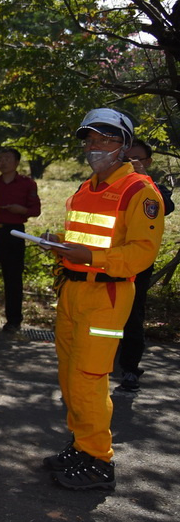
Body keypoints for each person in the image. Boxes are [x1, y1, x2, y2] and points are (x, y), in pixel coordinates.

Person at [42, 108, 163, 490]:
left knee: (88, 378)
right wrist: (62, 247)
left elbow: (142, 253)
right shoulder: (85, 188)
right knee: (68, 374)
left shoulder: (140, 191)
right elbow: (87, 239)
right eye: (90, 140)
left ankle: (98, 460)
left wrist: (91, 258)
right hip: (74, 288)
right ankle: (81, 444)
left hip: (108, 294)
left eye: (105, 139)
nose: (95, 147)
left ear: (124, 146)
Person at [116, 139, 175, 392]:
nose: (130, 164)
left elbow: (166, 206)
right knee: (101, 321)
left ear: (148, 162)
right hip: (104, 263)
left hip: (136, 267)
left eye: (136, 159)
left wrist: (140, 177)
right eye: (125, 159)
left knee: (132, 317)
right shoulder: (110, 185)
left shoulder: (153, 190)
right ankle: (100, 365)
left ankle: (130, 369)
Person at [0, 147, 41, 333]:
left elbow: (35, 210)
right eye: (0, 159)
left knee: (13, 278)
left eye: (7, 159)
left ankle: (13, 321)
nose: (3, 162)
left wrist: (22, 210)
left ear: (17, 162)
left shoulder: (26, 184)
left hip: (15, 233)